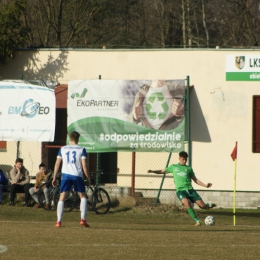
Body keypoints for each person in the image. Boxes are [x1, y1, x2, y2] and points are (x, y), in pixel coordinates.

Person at [147, 151, 215, 226]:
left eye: (185, 159)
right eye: (183, 159)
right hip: (181, 191)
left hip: (190, 190)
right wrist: (152, 171)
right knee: (187, 204)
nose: (184, 161)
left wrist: (205, 185)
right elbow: (162, 171)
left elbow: (195, 179)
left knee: (202, 206)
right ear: (179, 158)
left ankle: (207, 207)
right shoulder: (174, 167)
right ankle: (197, 221)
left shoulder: (189, 169)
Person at [52, 131, 91, 228]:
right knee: (82, 196)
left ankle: (58, 221)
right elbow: (84, 165)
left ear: (69, 139)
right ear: (78, 139)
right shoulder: (82, 149)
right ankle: (83, 219)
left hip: (65, 175)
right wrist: (88, 177)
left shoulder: (62, 149)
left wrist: (54, 177)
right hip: (77, 175)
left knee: (62, 197)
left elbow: (57, 163)